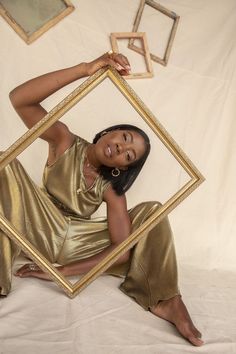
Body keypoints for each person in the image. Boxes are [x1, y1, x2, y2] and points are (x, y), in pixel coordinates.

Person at [0, 52, 203, 346]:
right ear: (107, 132)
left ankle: (166, 299)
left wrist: (63, 272)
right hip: (37, 226)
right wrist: (85, 69)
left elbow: (120, 252)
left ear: (122, 166)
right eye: (122, 137)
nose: (120, 147)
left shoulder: (110, 189)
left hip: (80, 247)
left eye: (128, 154)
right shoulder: (63, 141)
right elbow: (20, 99)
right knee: (6, 161)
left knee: (153, 211)